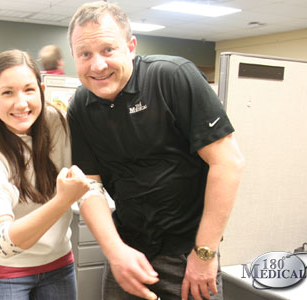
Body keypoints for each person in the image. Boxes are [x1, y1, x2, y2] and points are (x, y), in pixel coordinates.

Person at [66, 2, 245, 300]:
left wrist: (204, 254)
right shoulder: (81, 107)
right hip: (128, 253)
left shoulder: (172, 77)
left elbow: (228, 163)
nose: (97, 65)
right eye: (85, 54)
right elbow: (89, 186)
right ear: (74, 56)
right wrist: (116, 252)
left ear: (131, 46)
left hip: (187, 255)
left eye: (108, 50)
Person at [0, 49, 89, 300]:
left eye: (29, 90)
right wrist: (62, 201)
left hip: (58, 264)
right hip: (6, 272)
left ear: (42, 90)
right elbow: (3, 242)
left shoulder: (58, 123)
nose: (21, 103)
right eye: (8, 92)